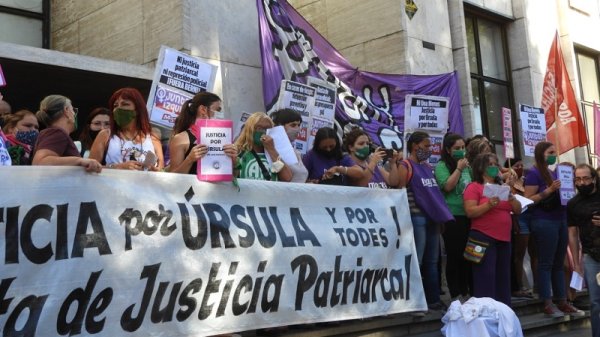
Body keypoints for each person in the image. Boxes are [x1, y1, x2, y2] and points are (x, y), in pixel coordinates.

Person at [523, 141, 582, 317]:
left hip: (561, 219)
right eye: (550, 152)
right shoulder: (533, 173)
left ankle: (562, 300)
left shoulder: (553, 172)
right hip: (544, 221)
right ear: (541, 154)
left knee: (559, 264)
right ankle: (547, 302)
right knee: (546, 263)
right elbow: (528, 199)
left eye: (555, 152)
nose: (554, 155)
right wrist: (549, 191)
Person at [398, 131, 453, 311]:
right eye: (426, 146)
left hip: (432, 219)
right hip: (416, 218)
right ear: (415, 146)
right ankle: (414, 300)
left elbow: (435, 196)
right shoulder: (405, 165)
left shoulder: (428, 168)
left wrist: (441, 216)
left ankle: (433, 299)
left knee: (432, 261)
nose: (429, 149)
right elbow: (398, 190)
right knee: (417, 260)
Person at [463, 153, 521, 305]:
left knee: (503, 278)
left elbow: (518, 210)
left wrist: (511, 197)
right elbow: (470, 212)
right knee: (484, 279)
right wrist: (488, 205)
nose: (494, 167)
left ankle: (503, 313)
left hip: (504, 239)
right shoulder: (474, 187)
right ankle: (485, 315)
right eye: (490, 164)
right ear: (481, 168)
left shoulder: (503, 188)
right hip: (482, 238)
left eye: (496, 164)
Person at [434, 132, 472, 301]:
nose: (461, 151)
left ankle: (466, 290)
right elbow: (448, 186)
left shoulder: (467, 166)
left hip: (468, 214)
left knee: (467, 255)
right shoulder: (442, 166)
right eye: (457, 148)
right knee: (454, 254)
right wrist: (458, 169)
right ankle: (455, 292)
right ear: (448, 150)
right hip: (452, 215)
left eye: (463, 147)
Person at [90, 88, 164, 171]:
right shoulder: (105, 135)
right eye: (115, 106)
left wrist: (155, 170)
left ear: (137, 110)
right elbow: (91, 167)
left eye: (125, 104)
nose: (118, 108)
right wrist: (117, 167)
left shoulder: (153, 139)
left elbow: (161, 170)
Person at [168, 92, 236, 174]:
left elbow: (231, 176)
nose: (220, 114)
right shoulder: (181, 139)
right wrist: (190, 159)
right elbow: (173, 178)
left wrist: (233, 159)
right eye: (217, 110)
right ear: (203, 109)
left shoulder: (221, 138)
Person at [567, 163, 600, 336]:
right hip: (591, 256)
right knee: (595, 302)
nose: (582, 182)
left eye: (586, 178)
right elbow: (572, 233)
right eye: (578, 179)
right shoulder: (573, 204)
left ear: (594, 178)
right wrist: (577, 262)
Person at [32, 94, 102, 172]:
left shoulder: (52, 133)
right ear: (66, 110)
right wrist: (80, 161)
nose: (75, 114)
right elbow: (40, 163)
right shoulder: (57, 132)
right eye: (73, 110)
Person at [504, 157, 536, 298]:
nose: (520, 167)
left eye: (522, 165)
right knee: (519, 255)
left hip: (530, 217)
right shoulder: (508, 183)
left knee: (534, 253)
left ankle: (536, 285)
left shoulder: (525, 181)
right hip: (518, 219)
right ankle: (520, 285)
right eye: (517, 165)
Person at [234, 112, 292, 181]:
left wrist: (271, 149)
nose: (263, 132)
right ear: (250, 130)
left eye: (267, 129)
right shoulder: (239, 152)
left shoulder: (276, 153)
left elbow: (287, 178)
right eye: (259, 128)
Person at [269, 108, 309, 183]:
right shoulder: (273, 149)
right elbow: (275, 173)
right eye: (293, 125)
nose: (298, 129)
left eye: (299, 125)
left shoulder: (296, 152)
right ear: (280, 126)